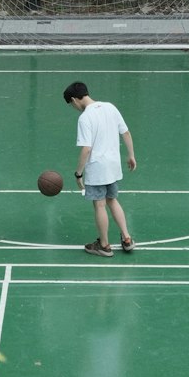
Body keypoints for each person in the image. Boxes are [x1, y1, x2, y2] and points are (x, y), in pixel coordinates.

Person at [63, 80, 136, 257]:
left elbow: (86, 148)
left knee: (100, 204)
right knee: (112, 200)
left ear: (74, 100)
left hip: (97, 168)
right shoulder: (110, 107)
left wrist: (78, 173)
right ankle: (127, 238)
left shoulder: (85, 118)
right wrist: (131, 155)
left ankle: (104, 245)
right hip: (113, 165)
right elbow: (125, 132)